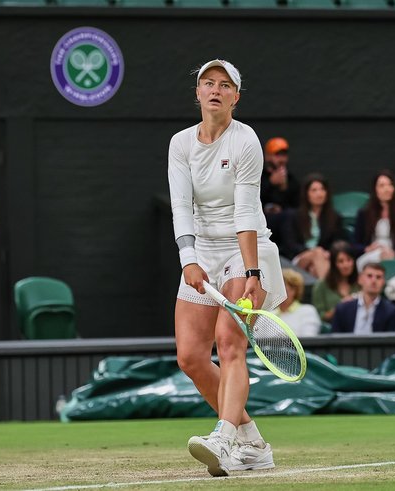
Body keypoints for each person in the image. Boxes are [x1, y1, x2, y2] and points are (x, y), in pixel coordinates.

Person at [167, 59, 287, 477]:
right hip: (201, 254)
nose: (215, 90)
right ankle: (252, 442)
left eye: (224, 85)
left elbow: (244, 212)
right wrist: (189, 259)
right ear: (198, 93)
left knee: (229, 342)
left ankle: (223, 437)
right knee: (190, 356)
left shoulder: (246, 140)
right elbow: (181, 206)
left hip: (246, 250)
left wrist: (253, 274)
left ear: (235, 97)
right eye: (207, 83)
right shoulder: (180, 144)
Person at [279, 173, 347, 280]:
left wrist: (327, 253)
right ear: (306, 194)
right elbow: (290, 245)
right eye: (314, 190)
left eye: (322, 189)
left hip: (324, 258)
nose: (319, 194)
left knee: (314, 269)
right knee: (317, 253)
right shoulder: (294, 216)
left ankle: (321, 292)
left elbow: (338, 241)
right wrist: (313, 251)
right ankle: (328, 291)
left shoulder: (334, 217)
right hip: (299, 258)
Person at [352, 170, 395, 272]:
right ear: (375, 190)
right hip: (370, 253)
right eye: (382, 186)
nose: (387, 189)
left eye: (390, 185)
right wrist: (366, 249)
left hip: (393, 255)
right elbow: (354, 244)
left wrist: (394, 253)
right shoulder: (364, 214)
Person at [331, 262, 395, 334]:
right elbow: (335, 340)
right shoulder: (343, 309)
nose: (374, 281)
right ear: (360, 279)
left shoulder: (392, 312)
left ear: (383, 282)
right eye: (369, 276)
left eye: (378, 277)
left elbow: (391, 342)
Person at [260, 137, 300, 247]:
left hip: (284, 224)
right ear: (268, 156)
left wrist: (284, 188)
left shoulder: (291, 180)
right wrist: (271, 183)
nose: (281, 159)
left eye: (284, 155)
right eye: (277, 155)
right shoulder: (259, 177)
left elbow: (297, 206)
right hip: (263, 222)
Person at [312, 240, 358, 324]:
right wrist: (340, 307)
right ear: (333, 264)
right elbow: (320, 316)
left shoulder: (361, 282)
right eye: (341, 261)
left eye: (349, 260)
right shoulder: (321, 286)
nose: (346, 265)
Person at [273, 269, 321, 337]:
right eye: (276, 289)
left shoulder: (308, 311)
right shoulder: (267, 315)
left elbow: (309, 340)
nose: (279, 293)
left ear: (295, 291)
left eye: (284, 289)